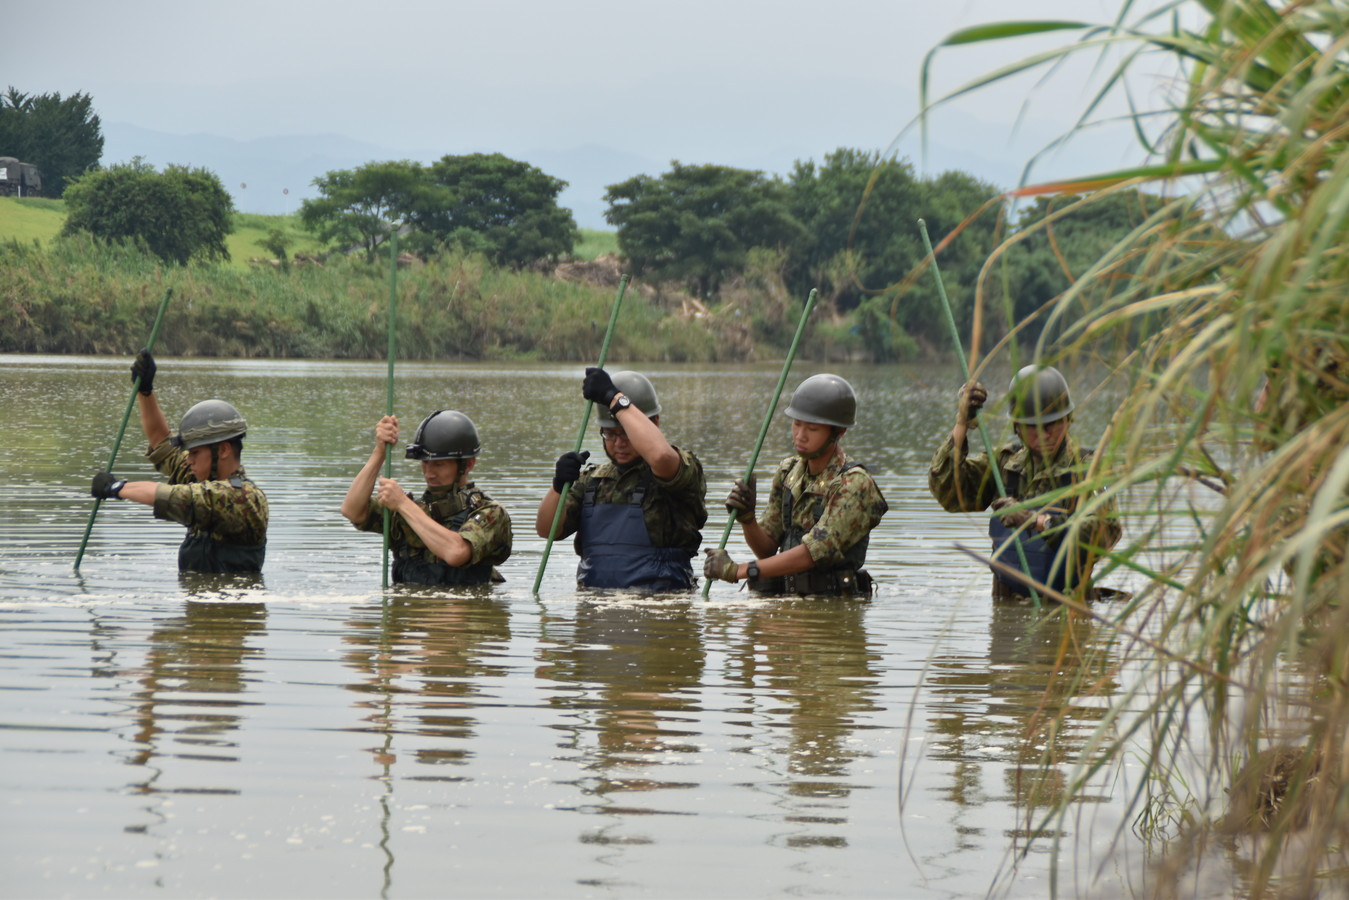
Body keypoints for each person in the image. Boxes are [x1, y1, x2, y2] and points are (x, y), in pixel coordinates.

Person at [928, 364, 1122, 599]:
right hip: (1006, 608)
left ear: (1068, 419)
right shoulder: (1004, 464)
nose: (1044, 434)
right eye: (1033, 426)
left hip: (1064, 613)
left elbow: (1105, 534)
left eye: (1052, 424)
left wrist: (1038, 521)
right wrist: (962, 424)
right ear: (1017, 427)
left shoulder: (1089, 468)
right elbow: (949, 492)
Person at [702, 373, 889, 597]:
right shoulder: (788, 472)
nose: (800, 436)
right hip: (786, 602)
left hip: (831, 608)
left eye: (812, 429)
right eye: (796, 424)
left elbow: (812, 553)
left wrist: (739, 570)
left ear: (838, 432)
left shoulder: (854, 484)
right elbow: (767, 548)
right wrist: (748, 519)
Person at [89, 350, 269, 575]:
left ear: (223, 450)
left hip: (237, 607)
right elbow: (161, 444)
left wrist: (116, 488)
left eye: (194, 453)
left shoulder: (243, 498)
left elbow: (168, 496)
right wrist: (145, 391)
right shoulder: (200, 475)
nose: (189, 460)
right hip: (197, 604)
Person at [535, 368, 707, 590]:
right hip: (595, 606)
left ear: (654, 422)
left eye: (625, 433)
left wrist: (614, 399)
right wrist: (558, 486)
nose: (618, 444)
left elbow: (661, 456)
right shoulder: (592, 481)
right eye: (610, 434)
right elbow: (547, 530)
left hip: (659, 602)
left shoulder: (678, 468)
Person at [341, 410, 512, 585]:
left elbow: (456, 552)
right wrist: (379, 452)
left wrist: (402, 504)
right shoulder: (410, 511)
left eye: (439, 464)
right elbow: (352, 510)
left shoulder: (490, 513)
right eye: (425, 463)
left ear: (468, 465)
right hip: (408, 609)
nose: (429, 473)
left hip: (461, 610)